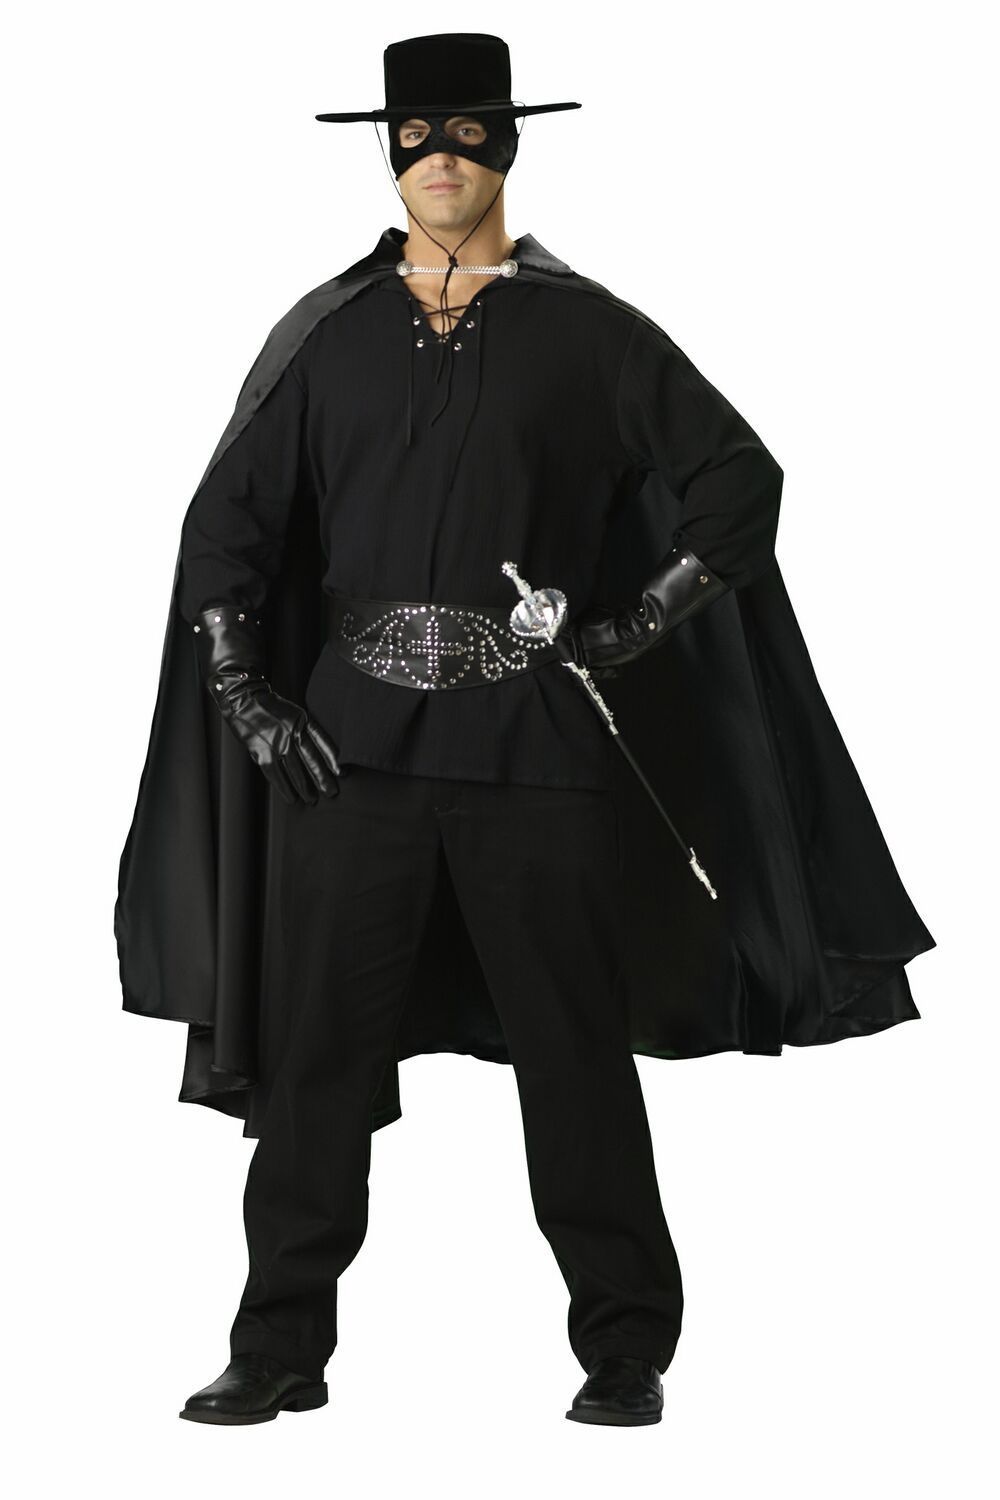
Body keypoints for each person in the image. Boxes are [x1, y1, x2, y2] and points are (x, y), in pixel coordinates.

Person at [115, 32, 935, 1428]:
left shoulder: (589, 332)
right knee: (315, 1068)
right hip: (350, 762)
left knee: (574, 1062)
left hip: (537, 761)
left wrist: (632, 625)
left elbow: (740, 481)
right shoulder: (326, 335)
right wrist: (248, 693)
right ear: (388, 155)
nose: (441, 155)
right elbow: (224, 531)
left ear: (507, 143)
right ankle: (279, 1346)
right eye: (415, 134)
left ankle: (624, 1349)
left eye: (467, 131)